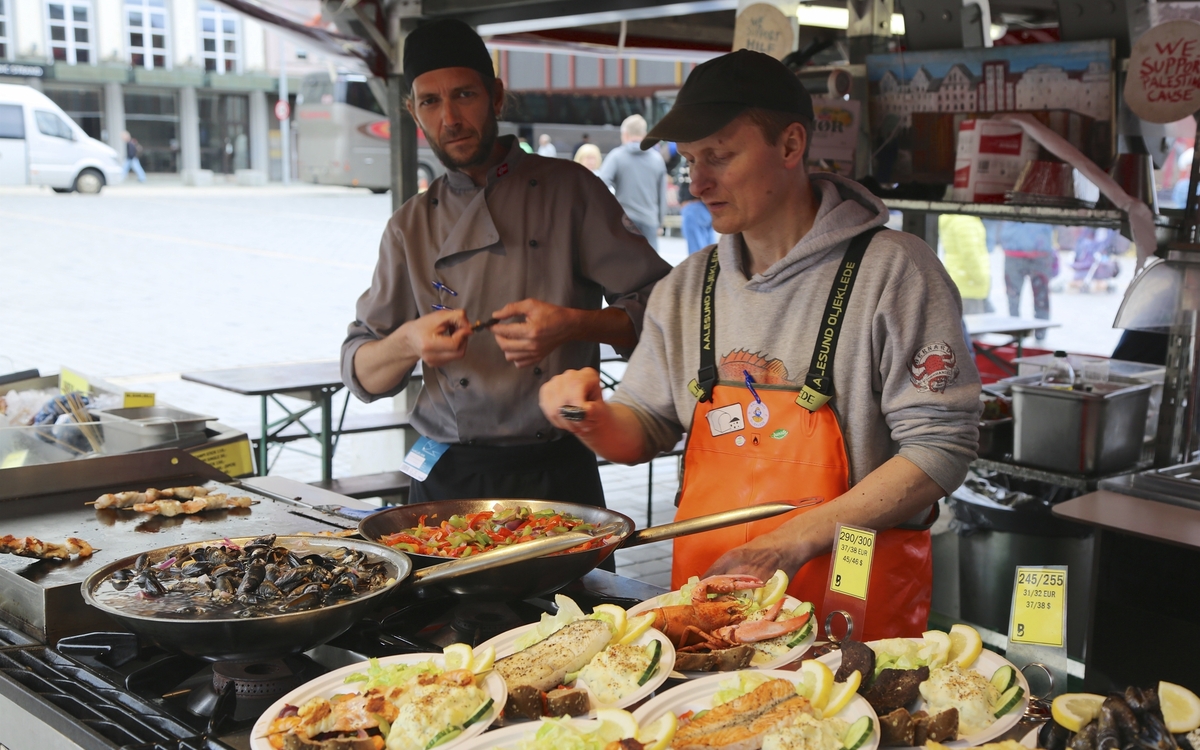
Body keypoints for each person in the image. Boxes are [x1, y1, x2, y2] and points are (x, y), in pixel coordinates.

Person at [539, 49, 981, 640]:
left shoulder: (894, 273)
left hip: (848, 602)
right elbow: (644, 424)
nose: (697, 182)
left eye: (719, 156)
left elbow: (940, 448)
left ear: (791, 145)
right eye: (690, 160)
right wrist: (589, 417)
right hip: (708, 604)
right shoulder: (687, 285)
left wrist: (792, 539)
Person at [341, 19, 671, 511]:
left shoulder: (571, 191)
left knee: (577, 593)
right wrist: (409, 340)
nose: (449, 117)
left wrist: (574, 324)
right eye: (430, 101)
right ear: (413, 111)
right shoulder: (409, 226)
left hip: (557, 465)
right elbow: (360, 370)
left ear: (496, 97)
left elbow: (664, 312)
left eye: (464, 95)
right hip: (448, 471)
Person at [598, 115, 668, 251]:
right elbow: (662, 195)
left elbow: (601, 183)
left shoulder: (616, 156)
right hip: (649, 220)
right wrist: (659, 222)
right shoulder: (657, 159)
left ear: (625, 134)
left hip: (624, 220)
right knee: (651, 267)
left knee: (623, 265)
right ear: (644, 134)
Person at [998, 221, 1056, 338]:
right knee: (1014, 298)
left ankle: (1040, 334)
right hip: (1016, 251)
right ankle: (1016, 335)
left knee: (1040, 298)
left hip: (1039, 252)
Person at [938, 214, 991, 313]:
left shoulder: (956, 219)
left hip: (959, 278)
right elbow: (970, 254)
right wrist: (980, 279)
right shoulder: (965, 222)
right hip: (969, 283)